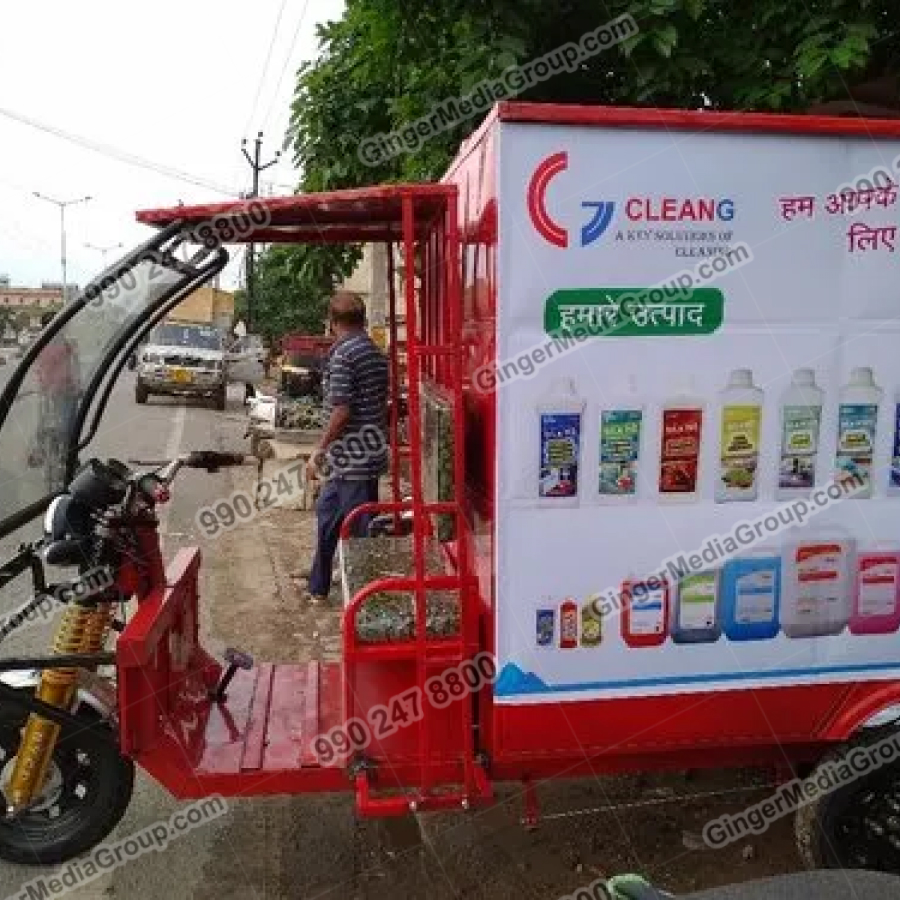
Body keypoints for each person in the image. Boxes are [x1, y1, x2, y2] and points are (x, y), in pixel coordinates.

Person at [305, 292, 389, 604]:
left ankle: (366, 602)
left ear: (333, 322)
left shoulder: (343, 356)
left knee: (358, 532)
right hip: (362, 457)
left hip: (352, 459)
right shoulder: (374, 353)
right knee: (328, 517)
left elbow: (341, 411)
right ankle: (318, 586)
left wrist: (319, 449)